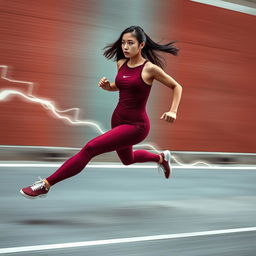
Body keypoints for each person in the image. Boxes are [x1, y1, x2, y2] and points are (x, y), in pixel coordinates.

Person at [20, 25, 183, 199]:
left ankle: (45, 185)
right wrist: (109, 87)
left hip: (136, 126)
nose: (125, 47)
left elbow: (176, 86)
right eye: (123, 43)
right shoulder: (121, 63)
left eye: (130, 43)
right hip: (118, 119)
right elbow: (123, 86)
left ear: (141, 45)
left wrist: (173, 111)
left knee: (90, 148)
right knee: (127, 160)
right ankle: (161, 158)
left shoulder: (150, 69)